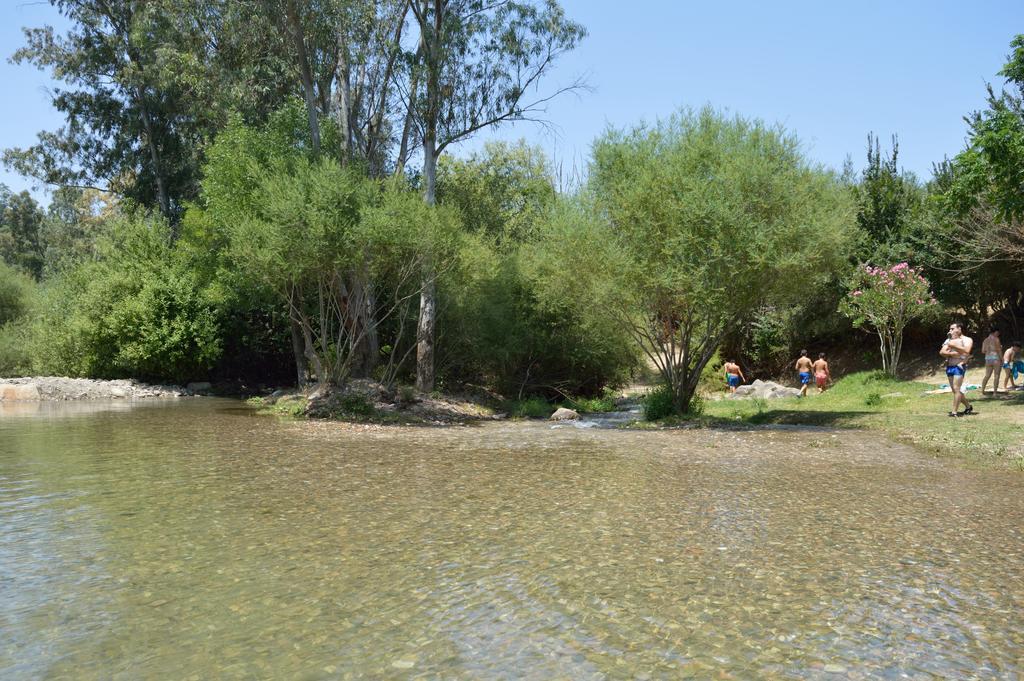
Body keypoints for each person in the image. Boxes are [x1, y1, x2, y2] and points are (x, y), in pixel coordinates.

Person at [939, 322, 974, 417]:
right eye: (950, 329)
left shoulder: (967, 339)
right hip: (950, 366)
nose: (950, 331)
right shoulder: (949, 340)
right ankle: (968, 406)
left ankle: (954, 411)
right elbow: (942, 352)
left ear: (959, 329)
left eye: (952, 328)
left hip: (959, 366)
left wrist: (952, 346)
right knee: (955, 390)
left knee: (956, 388)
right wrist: (952, 354)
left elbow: (967, 351)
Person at [980, 327, 1002, 394]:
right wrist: (1002, 359)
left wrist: (988, 349)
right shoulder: (996, 339)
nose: (998, 334)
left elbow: (983, 351)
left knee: (987, 375)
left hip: (988, 358)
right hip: (995, 358)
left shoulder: (985, 340)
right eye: (997, 333)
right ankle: (995, 393)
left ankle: (982, 391)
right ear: (994, 332)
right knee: (997, 375)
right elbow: (999, 350)